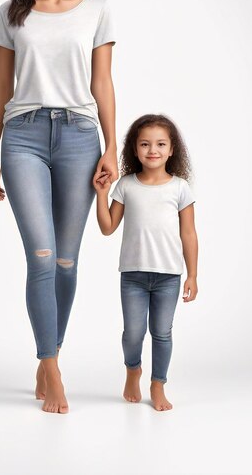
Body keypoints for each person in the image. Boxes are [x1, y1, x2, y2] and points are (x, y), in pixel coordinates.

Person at [0, 0, 118, 414]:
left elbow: (102, 83)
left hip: (81, 137)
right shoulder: (12, 12)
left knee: (66, 260)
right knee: (40, 256)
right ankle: (53, 367)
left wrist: (111, 146)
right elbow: (1, 87)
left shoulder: (97, 10)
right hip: (23, 137)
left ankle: (48, 356)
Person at [93, 113, 199, 411]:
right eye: (145, 144)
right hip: (133, 276)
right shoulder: (126, 185)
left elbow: (189, 234)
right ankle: (133, 370)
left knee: (162, 333)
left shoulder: (179, 188)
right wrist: (102, 194)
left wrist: (192, 275)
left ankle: (158, 383)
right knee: (133, 332)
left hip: (168, 276)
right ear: (134, 149)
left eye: (160, 144)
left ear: (171, 149)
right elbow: (107, 227)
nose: (152, 150)